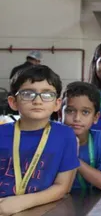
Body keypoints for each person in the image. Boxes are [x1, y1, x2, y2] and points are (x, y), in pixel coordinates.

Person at [0, 66, 78, 215]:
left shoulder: (65, 136)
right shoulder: (1, 132)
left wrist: (20, 202)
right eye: (28, 94)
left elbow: (62, 187)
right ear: (13, 102)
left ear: (57, 103)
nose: (37, 101)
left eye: (47, 94)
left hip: (43, 209)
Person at [61, 82, 101, 192]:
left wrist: (73, 159)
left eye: (85, 112)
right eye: (70, 111)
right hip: (59, 200)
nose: (77, 118)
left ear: (96, 117)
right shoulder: (52, 138)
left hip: (96, 201)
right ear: (60, 114)